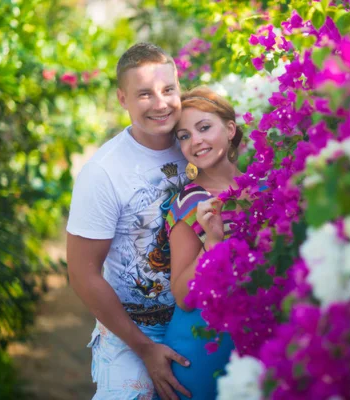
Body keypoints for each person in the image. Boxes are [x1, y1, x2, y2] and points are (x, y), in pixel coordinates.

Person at [66, 43, 192, 400]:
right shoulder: (102, 173)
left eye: (168, 90)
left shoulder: (196, 144)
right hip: (131, 330)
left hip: (194, 319)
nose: (160, 103)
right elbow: (82, 274)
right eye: (144, 94)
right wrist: (144, 348)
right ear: (123, 99)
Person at [163, 87, 254, 399]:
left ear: (230, 129)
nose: (195, 141)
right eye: (184, 135)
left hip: (261, 344)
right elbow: (183, 296)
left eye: (204, 128)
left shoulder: (267, 189)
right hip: (204, 347)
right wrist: (213, 242)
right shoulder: (189, 203)